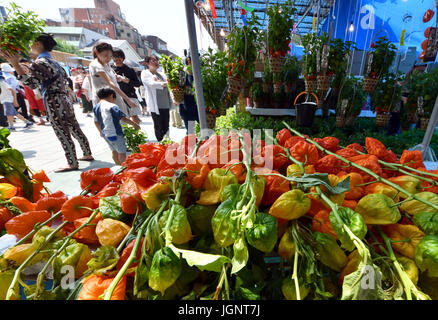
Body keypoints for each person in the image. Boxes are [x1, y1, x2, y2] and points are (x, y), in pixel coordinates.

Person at [0, 33, 94, 172]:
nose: (30, 46)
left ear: (39, 44)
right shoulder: (53, 61)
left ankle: (72, 162)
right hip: (64, 99)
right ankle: (87, 153)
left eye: (32, 43)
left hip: (53, 100)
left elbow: (32, 84)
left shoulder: (39, 62)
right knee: (74, 128)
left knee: (62, 131)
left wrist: (15, 65)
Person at [89, 42, 137, 119]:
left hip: (114, 97)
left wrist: (116, 77)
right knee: (108, 123)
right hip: (104, 99)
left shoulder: (106, 64)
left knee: (121, 121)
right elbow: (110, 83)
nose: (108, 59)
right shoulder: (96, 65)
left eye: (110, 56)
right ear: (97, 53)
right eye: (105, 56)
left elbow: (111, 78)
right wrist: (127, 99)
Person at [93, 88, 141, 165]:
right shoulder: (112, 106)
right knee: (122, 153)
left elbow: (96, 122)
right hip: (115, 133)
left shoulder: (96, 107)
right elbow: (123, 118)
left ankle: (118, 166)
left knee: (114, 151)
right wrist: (135, 124)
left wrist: (100, 132)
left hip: (105, 133)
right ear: (111, 95)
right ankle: (123, 169)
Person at [141, 55, 172, 142]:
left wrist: (162, 82)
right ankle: (161, 143)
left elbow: (167, 84)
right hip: (155, 105)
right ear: (147, 63)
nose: (156, 62)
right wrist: (163, 83)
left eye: (157, 61)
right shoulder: (145, 73)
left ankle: (167, 142)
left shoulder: (162, 74)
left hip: (165, 103)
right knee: (158, 125)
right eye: (153, 61)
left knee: (166, 124)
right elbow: (152, 84)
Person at [112, 48, 142, 125]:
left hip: (130, 95)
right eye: (115, 56)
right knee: (121, 118)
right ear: (112, 58)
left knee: (134, 116)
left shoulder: (129, 70)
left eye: (120, 56)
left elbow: (138, 84)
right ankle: (126, 135)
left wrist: (127, 80)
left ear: (123, 58)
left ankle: (137, 134)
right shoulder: (110, 69)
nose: (118, 58)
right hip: (116, 97)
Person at [179, 55, 199, 133]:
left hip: (199, 107)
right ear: (188, 61)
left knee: (206, 129)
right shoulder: (182, 73)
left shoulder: (200, 72)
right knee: (191, 133)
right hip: (187, 108)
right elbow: (180, 86)